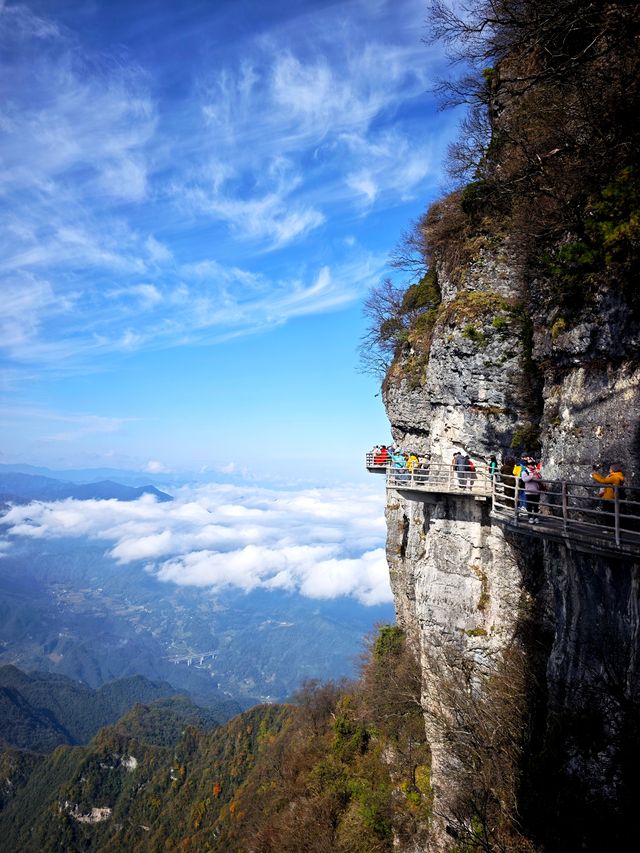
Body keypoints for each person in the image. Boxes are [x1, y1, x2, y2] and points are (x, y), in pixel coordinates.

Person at [591, 463, 625, 529]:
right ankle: (612, 529)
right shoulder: (617, 475)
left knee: (609, 514)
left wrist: (593, 474)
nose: (609, 469)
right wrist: (596, 473)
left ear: (613, 470)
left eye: (610, 468)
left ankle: (611, 530)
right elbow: (605, 480)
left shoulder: (614, 477)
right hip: (613, 497)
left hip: (610, 498)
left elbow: (603, 481)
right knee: (611, 514)